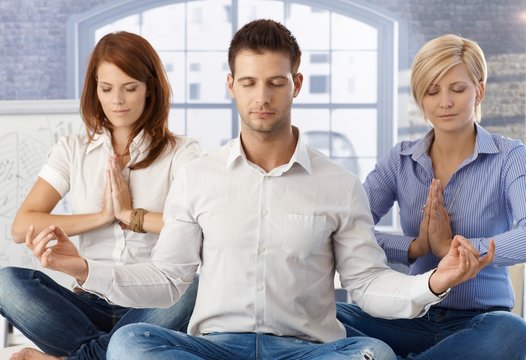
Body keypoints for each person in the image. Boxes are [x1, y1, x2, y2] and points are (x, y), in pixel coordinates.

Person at [25, 21, 494, 360]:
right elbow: (169, 281)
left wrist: (434, 282)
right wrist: (83, 266)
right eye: (248, 83)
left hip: (308, 350)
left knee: (371, 353)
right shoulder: (199, 177)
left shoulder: (339, 185)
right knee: (129, 345)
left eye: (275, 83)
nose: (262, 97)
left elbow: (367, 285)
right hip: (214, 348)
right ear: (231, 85)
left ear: (297, 85)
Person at [0, 31, 201, 360]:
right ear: (95, 89)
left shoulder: (183, 153)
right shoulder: (71, 150)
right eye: (106, 89)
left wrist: (130, 216)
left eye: (130, 88)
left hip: (153, 303)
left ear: (150, 89)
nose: (117, 101)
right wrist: (101, 217)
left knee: (196, 288)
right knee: (5, 281)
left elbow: (195, 225)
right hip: (87, 302)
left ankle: (83, 356)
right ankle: (115, 351)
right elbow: (22, 226)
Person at [336, 34, 526, 359]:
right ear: (419, 98)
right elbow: (348, 231)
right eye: (432, 91)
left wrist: (457, 249)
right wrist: (415, 248)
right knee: (326, 316)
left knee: (513, 331)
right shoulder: (400, 161)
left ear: (479, 90)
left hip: (479, 323)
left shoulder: (510, 156)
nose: (445, 102)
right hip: (409, 318)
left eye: (458, 88)